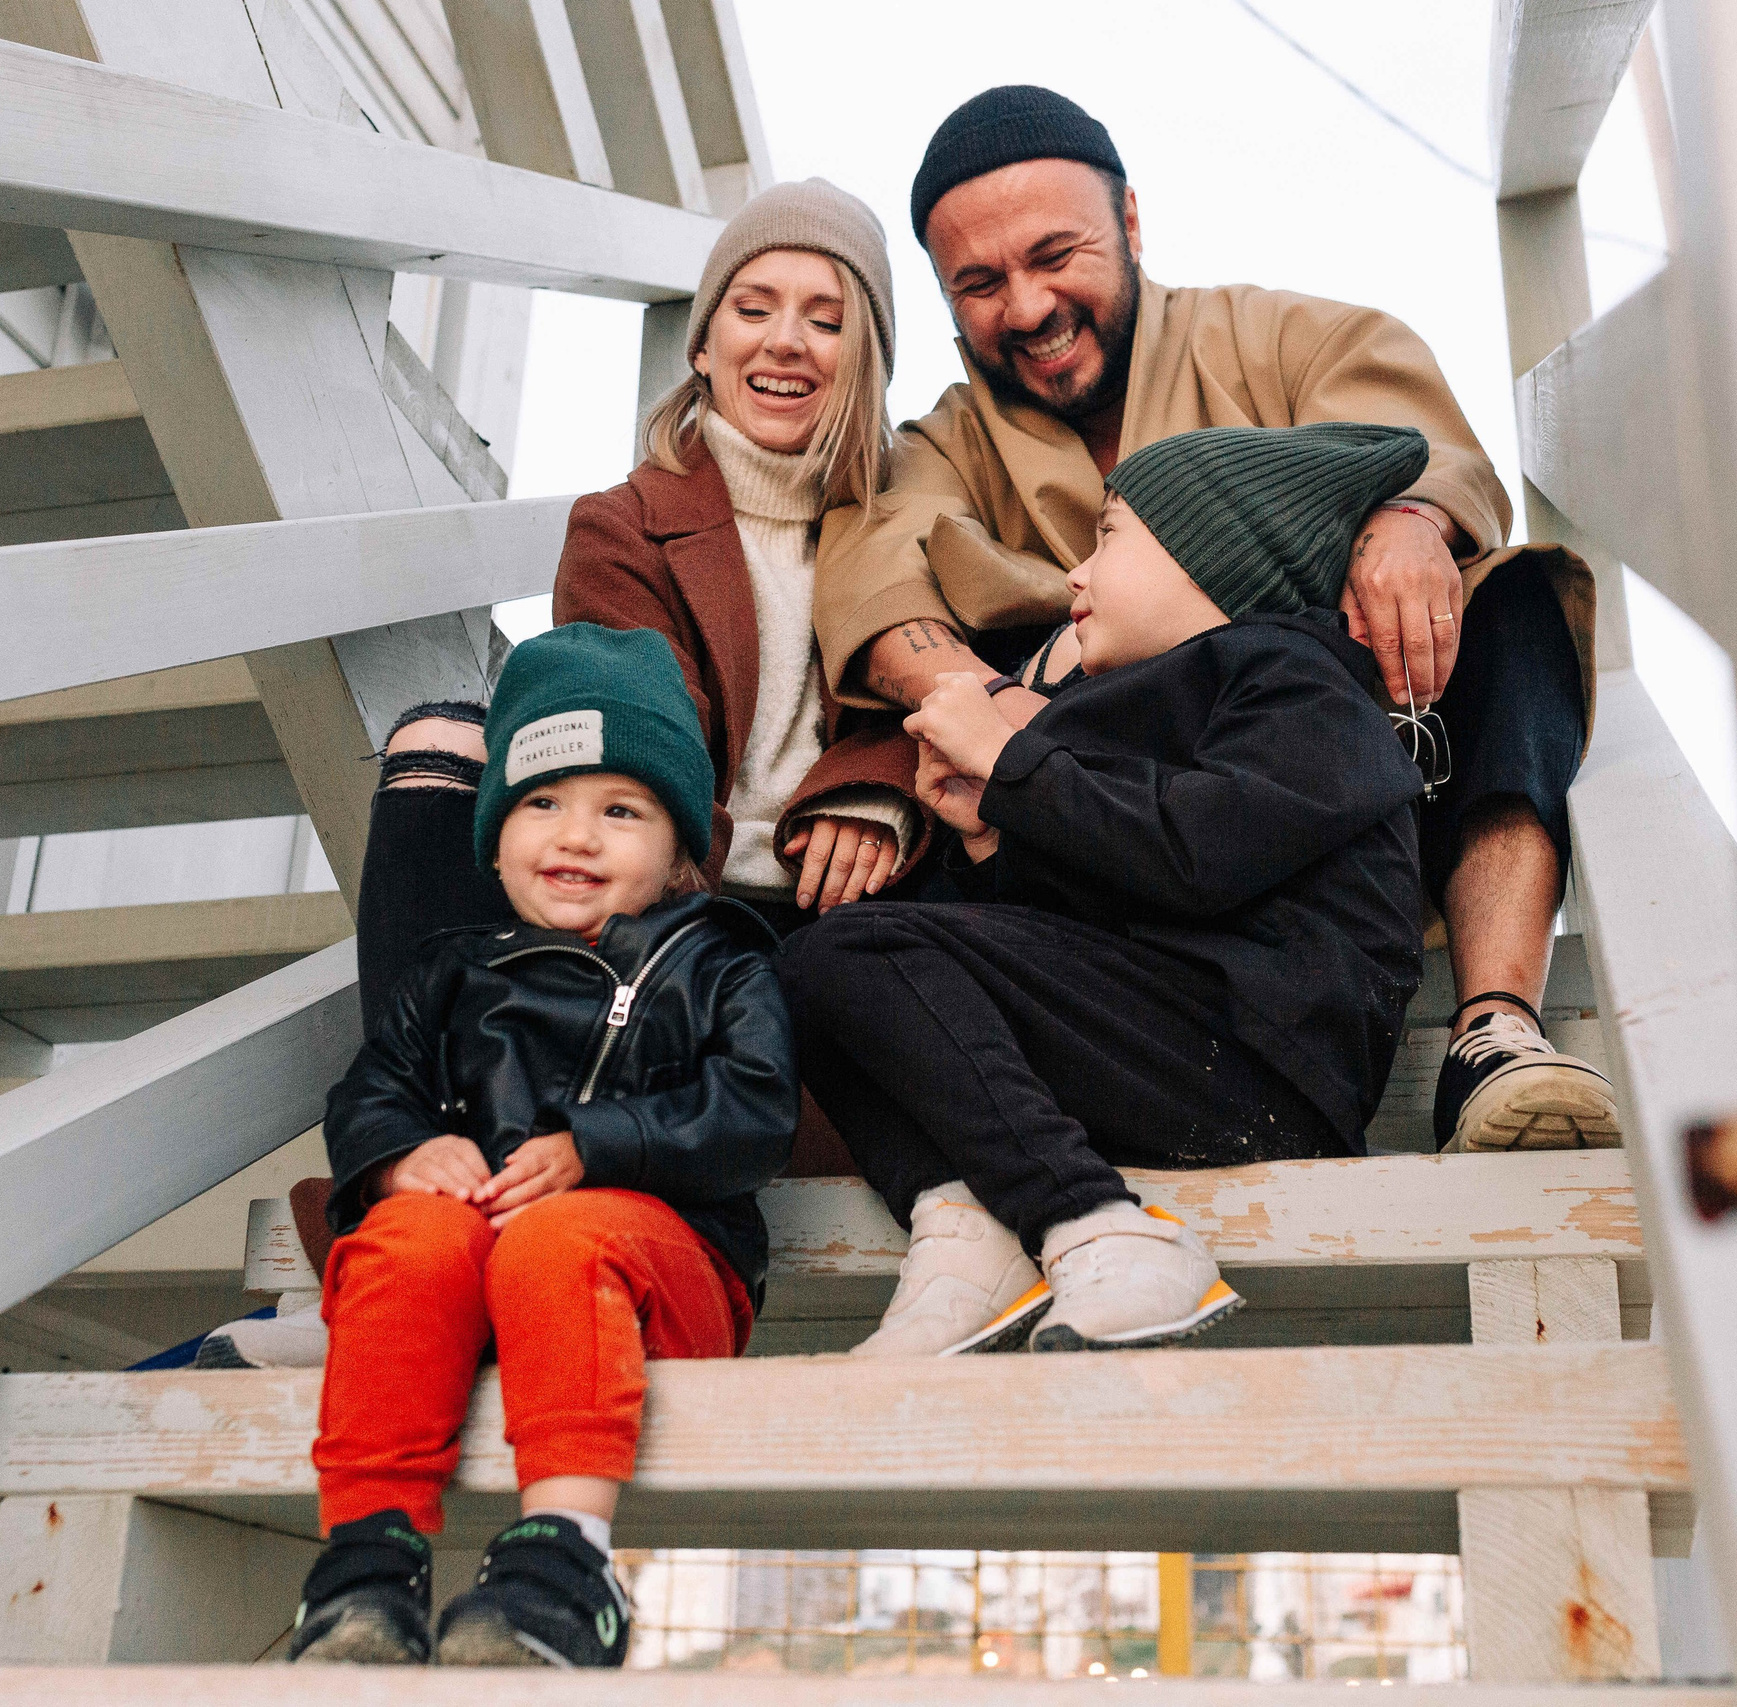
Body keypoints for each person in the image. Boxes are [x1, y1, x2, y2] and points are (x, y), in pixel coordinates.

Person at [815, 86, 1619, 1156]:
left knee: (1515, 606)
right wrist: (989, 701)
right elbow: (875, 570)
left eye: (1057, 253)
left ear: (1131, 224)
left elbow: (1419, 442)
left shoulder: (1274, 336)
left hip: (1333, 810)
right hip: (1113, 844)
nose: (1026, 305)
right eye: (979, 282)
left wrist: (1405, 520)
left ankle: (1493, 1028)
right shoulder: (939, 445)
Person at [196, 178, 913, 1371]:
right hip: (650, 913)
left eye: (827, 316)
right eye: (753, 306)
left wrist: (874, 773)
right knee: (444, 742)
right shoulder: (625, 526)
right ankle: (406, 1212)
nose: (786, 340)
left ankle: (460, 1256)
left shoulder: (911, 514)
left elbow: (952, 674)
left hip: (808, 972)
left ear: (866, 353)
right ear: (706, 340)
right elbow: (635, 754)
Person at [781, 424, 1427, 1357]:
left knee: (860, 951)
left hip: (1266, 1059)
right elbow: (1106, 900)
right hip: (1171, 1030)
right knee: (815, 973)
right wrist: (996, 835)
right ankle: (961, 1224)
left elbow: (1199, 852)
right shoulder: (1142, 700)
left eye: (1109, 538)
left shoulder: (1303, 679)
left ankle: (1094, 1222)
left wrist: (1013, 763)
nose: (1074, 576)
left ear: (1215, 554)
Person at [288, 624, 800, 1669]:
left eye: (621, 810)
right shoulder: (449, 968)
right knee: (404, 1239)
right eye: (541, 803)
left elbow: (753, 1111)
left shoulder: (720, 964)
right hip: (473, 1269)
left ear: (679, 848)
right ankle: (366, 1564)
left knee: (556, 1240)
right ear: (494, 830)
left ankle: (566, 1563)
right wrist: (398, 1156)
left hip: (660, 1274)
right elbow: (370, 1089)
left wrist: (597, 1144)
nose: (575, 835)